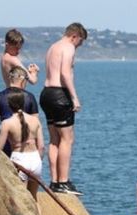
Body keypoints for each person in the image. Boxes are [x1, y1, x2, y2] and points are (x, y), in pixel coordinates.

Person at [40, 22, 87, 196]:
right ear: (74, 36)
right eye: (80, 42)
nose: (79, 46)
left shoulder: (53, 47)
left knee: (54, 140)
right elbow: (65, 73)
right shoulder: (68, 47)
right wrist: (74, 97)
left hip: (46, 94)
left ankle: (54, 181)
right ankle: (64, 181)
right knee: (67, 139)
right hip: (60, 95)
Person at [0, 91, 44, 201]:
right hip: (35, 160)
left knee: (22, 201)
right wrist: (38, 160)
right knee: (34, 199)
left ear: (9, 104)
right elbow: (41, 147)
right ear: (24, 103)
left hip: (19, 160)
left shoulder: (7, 123)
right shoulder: (35, 120)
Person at [0, 66, 40, 156]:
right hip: (25, 144)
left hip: (6, 140)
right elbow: (36, 122)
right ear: (23, 80)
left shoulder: (0, 96)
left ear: (10, 78)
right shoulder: (30, 97)